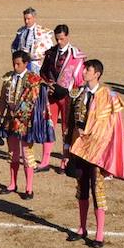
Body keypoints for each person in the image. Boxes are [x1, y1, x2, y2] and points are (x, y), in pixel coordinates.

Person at [61, 59, 124, 248]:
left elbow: (113, 126)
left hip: (97, 151)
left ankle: (99, 234)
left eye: (87, 70)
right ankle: (82, 228)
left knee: (96, 189)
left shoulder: (108, 95)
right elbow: (69, 123)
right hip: (79, 147)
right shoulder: (77, 93)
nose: (83, 72)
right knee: (82, 188)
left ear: (96, 74)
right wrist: (66, 149)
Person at [0, 52, 44, 199]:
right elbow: (2, 100)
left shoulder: (33, 79)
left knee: (27, 154)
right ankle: (12, 183)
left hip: (26, 122)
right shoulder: (8, 77)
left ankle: (29, 188)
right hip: (10, 120)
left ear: (26, 64)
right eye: (14, 63)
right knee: (12, 153)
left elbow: (36, 103)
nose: (15, 66)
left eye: (19, 64)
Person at [38, 24, 85, 170]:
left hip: (67, 97)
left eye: (62, 39)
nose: (59, 42)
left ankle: (65, 160)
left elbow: (79, 79)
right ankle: (45, 160)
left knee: (67, 128)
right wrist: (50, 84)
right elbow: (43, 72)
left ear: (67, 37)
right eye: (57, 39)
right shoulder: (50, 53)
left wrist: (67, 89)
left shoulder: (76, 55)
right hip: (52, 95)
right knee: (48, 126)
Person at [10, 7, 54, 73]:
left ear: (34, 18)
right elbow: (14, 46)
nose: (26, 21)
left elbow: (49, 50)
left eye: (28, 19)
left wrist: (33, 55)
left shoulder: (42, 32)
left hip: (36, 64)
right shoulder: (21, 31)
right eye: (25, 19)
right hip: (22, 64)